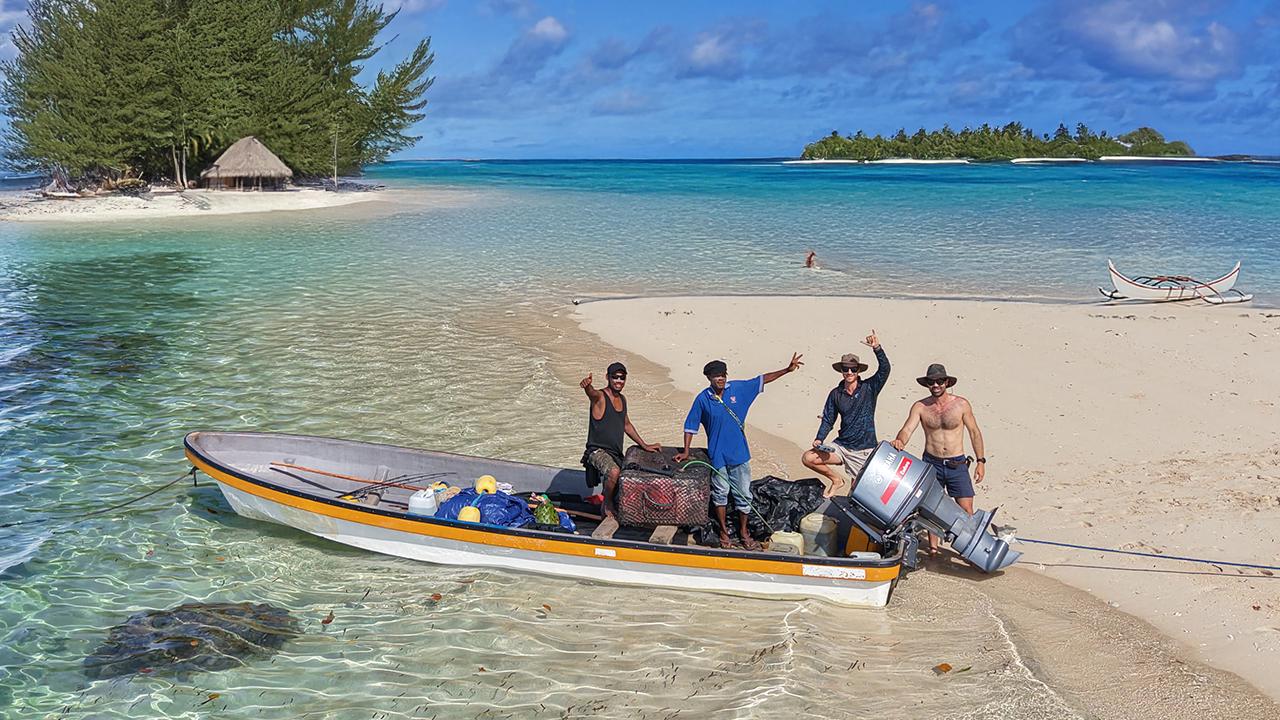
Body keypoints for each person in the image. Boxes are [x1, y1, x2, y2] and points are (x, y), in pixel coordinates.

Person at [674, 353, 804, 550]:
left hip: (740, 455)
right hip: (717, 456)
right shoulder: (703, 399)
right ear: (709, 378)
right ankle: (724, 532)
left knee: (743, 495)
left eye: (723, 375)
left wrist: (787, 369)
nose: (721, 379)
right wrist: (685, 452)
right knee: (720, 494)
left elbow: (762, 379)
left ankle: (743, 532)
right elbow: (690, 426)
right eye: (716, 376)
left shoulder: (739, 389)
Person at [890, 363, 986, 555]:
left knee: (966, 508)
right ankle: (933, 550)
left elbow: (974, 432)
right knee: (931, 509)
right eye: (932, 381)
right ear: (927, 384)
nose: (936, 385)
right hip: (931, 462)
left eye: (940, 381)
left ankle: (971, 550)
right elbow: (908, 429)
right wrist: (900, 440)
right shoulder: (921, 407)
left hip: (957, 463)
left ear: (947, 382)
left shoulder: (961, 404)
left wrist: (980, 461)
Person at [802, 331, 890, 498]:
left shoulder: (869, 388)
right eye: (846, 369)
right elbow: (828, 419)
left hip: (864, 450)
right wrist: (819, 439)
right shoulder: (836, 393)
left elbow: (885, 370)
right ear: (841, 371)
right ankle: (836, 480)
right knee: (808, 457)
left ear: (858, 371)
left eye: (853, 369)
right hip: (841, 447)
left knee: (856, 496)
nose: (849, 372)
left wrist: (877, 349)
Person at [580, 362, 660, 520]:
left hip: (615, 453)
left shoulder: (622, 399)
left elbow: (627, 425)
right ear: (607, 378)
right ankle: (607, 503)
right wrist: (587, 386)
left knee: (633, 474)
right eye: (615, 377)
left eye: (622, 378)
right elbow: (592, 394)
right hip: (597, 451)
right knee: (614, 472)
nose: (618, 381)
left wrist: (644, 445)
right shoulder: (600, 397)